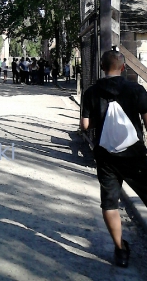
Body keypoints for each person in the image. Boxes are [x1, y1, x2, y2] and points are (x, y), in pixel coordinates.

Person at [81, 50, 147, 268]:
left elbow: (85, 126)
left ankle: (120, 251)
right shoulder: (136, 89)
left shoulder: (91, 92)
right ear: (123, 68)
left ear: (101, 67)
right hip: (135, 155)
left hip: (106, 157)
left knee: (109, 203)